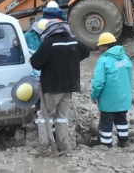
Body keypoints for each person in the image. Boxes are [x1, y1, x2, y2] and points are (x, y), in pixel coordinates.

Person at [30, 16, 90, 155]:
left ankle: (44, 148)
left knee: (45, 115)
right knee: (62, 116)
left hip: (52, 86)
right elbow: (86, 52)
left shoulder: (49, 44)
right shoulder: (74, 42)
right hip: (70, 85)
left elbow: (35, 63)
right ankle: (63, 146)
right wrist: (71, 60)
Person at [90, 32, 133, 148]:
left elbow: (98, 82)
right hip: (124, 97)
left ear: (105, 46)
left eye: (100, 46)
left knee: (106, 122)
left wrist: (94, 96)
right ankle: (124, 142)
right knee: (122, 120)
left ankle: (105, 144)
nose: (99, 49)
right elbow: (129, 77)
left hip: (109, 100)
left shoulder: (103, 60)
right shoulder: (125, 57)